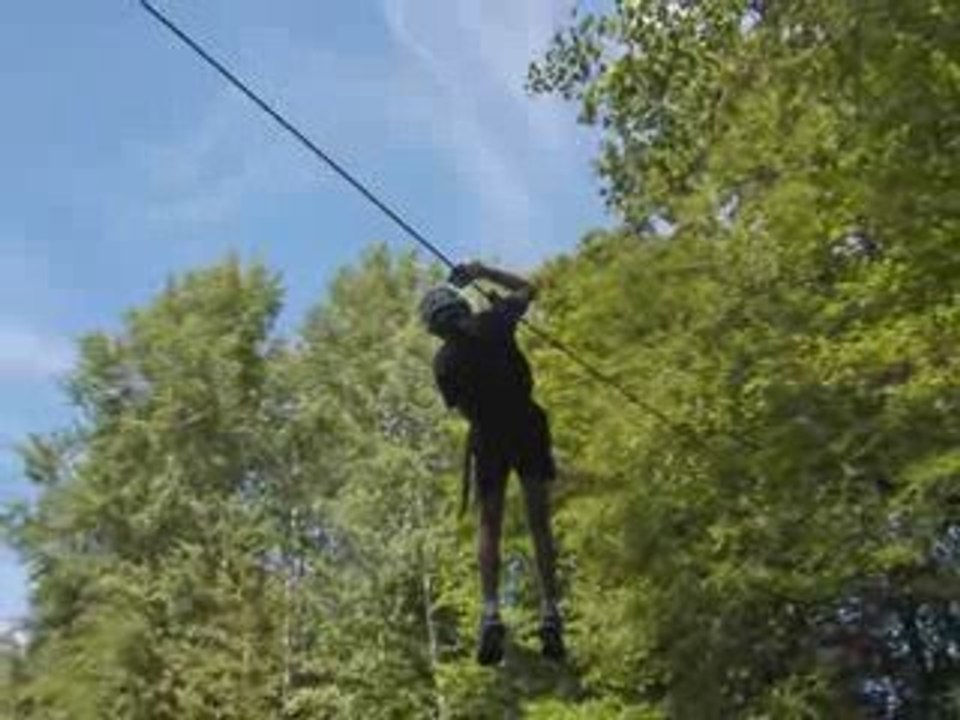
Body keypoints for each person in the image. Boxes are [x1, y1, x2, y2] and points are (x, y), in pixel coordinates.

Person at [419, 261, 565, 666]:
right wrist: (482, 271)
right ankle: (550, 610)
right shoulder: (494, 322)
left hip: (488, 434)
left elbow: (464, 409)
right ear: (462, 308)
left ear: (435, 328)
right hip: (526, 423)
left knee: (490, 525)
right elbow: (530, 288)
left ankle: (490, 612)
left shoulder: (443, 363)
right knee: (539, 522)